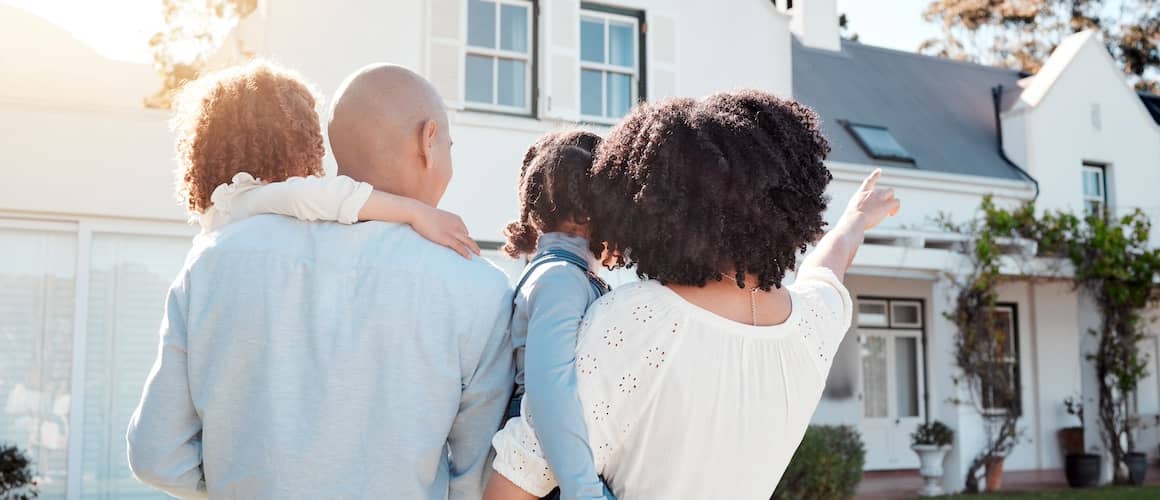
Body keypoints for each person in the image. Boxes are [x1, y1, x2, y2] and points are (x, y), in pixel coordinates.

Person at [126, 63, 514, 500]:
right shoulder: (479, 286)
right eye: (449, 144)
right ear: (428, 140)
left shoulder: (217, 257)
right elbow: (478, 478)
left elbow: (156, 456)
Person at [488, 90, 900, 499]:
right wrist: (856, 220)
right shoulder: (811, 324)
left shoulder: (637, 317)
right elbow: (827, 268)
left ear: (652, 204)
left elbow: (511, 487)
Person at [170, 61, 479, 257]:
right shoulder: (246, 200)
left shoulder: (221, 222)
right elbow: (324, 195)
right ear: (286, 144)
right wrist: (415, 212)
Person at [482, 130, 614, 500]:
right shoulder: (561, 279)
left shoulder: (564, 274)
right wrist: (585, 491)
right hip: (546, 474)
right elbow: (550, 391)